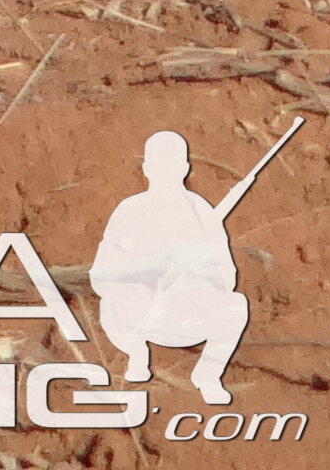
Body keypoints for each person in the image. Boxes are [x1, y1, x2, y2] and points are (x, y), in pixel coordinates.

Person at [91, 129, 254, 403]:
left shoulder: (201, 212)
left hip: (185, 314)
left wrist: (197, 272)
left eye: (173, 165)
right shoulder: (129, 210)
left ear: (185, 168)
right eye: (158, 165)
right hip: (138, 315)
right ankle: (137, 354)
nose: (166, 172)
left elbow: (228, 276)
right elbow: (100, 277)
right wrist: (152, 269)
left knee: (236, 305)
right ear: (146, 169)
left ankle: (208, 375)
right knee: (111, 305)